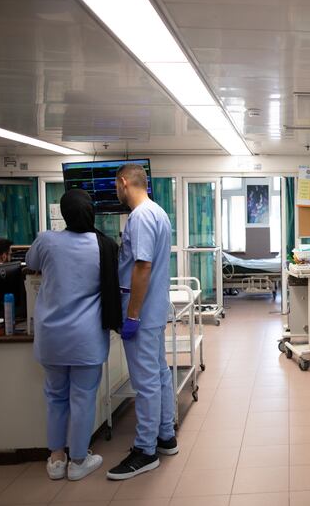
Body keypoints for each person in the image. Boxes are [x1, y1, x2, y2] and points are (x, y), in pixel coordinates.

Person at [25, 190, 120, 481]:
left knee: (55, 397)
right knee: (83, 398)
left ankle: (56, 460)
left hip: (52, 336)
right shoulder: (103, 245)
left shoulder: (47, 240)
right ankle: (78, 460)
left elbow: (30, 264)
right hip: (86, 338)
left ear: (64, 214)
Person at [107, 163, 175, 481]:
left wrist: (131, 314)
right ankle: (165, 436)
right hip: (154, 309)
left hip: (142, 313)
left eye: (116, 187)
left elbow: (142, 266)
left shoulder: (141, 216)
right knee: (159, 375)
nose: (116, 192)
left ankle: (145, 451)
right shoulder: (158, 212)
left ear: (124, 182)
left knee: (146, 382)